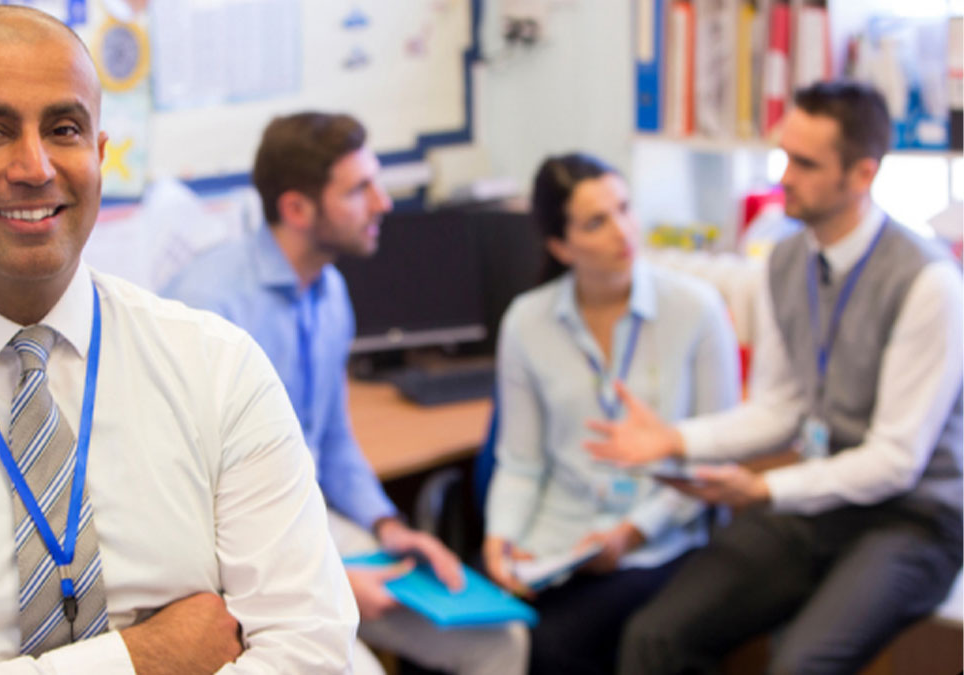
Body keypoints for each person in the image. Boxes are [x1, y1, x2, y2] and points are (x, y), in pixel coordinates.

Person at [0, 7, 357, 673]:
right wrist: (149, 655)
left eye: (64, 128)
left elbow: (312, 651)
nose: (34, 165)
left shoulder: (220, 370)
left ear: (99, 156)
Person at [587, 80, 963, 674]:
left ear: (863, 175)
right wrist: (676, 441)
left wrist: (763, 490)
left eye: (806, 164)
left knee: (798, 664)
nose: (784, 176)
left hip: (911, 518)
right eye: (784, 154)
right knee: (654, 635)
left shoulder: (928, 282)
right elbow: (780, 408)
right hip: (817, 499)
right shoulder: (785, 261)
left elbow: (896, 460)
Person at [164, 111, 529, 675]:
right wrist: (327, 578)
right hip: (238, 554)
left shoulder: (328, 290)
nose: (383, 203)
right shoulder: (210, 308)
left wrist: (390, 525)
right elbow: (196, 502)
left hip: (317, 525)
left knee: (499, 641)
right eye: (360, 190)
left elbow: (332, 441)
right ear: (296, 209)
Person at [479, 153, 741, 674]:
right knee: (468, 635)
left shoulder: (696, 308)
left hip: (656, 540)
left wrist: (631, 534)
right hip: (553, 541)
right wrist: (499, 540)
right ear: (560, 245)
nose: (622, 231)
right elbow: (520, 460)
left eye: (625, 209)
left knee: (553, 647)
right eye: (596, 222)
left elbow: (714, 452)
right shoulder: (527, 321)